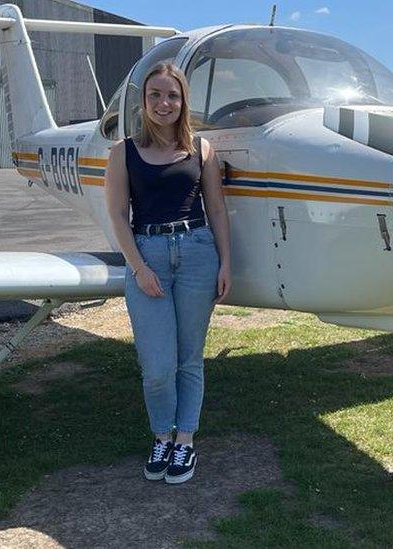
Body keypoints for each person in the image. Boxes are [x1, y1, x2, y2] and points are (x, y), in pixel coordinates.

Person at [104, 63, 231, 484]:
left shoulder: (202, 150)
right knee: (157, 364)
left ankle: (185, 442)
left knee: (189, 359)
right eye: (155, 95)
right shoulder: (123, 152)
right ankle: (162, 435)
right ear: (143, 102)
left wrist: (225, 261)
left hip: (197, 253)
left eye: (172, 96)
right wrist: (138, 269)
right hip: (149, 255)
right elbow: (118, 216)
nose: (164, 103)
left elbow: (216, 209)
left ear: (183, 102)